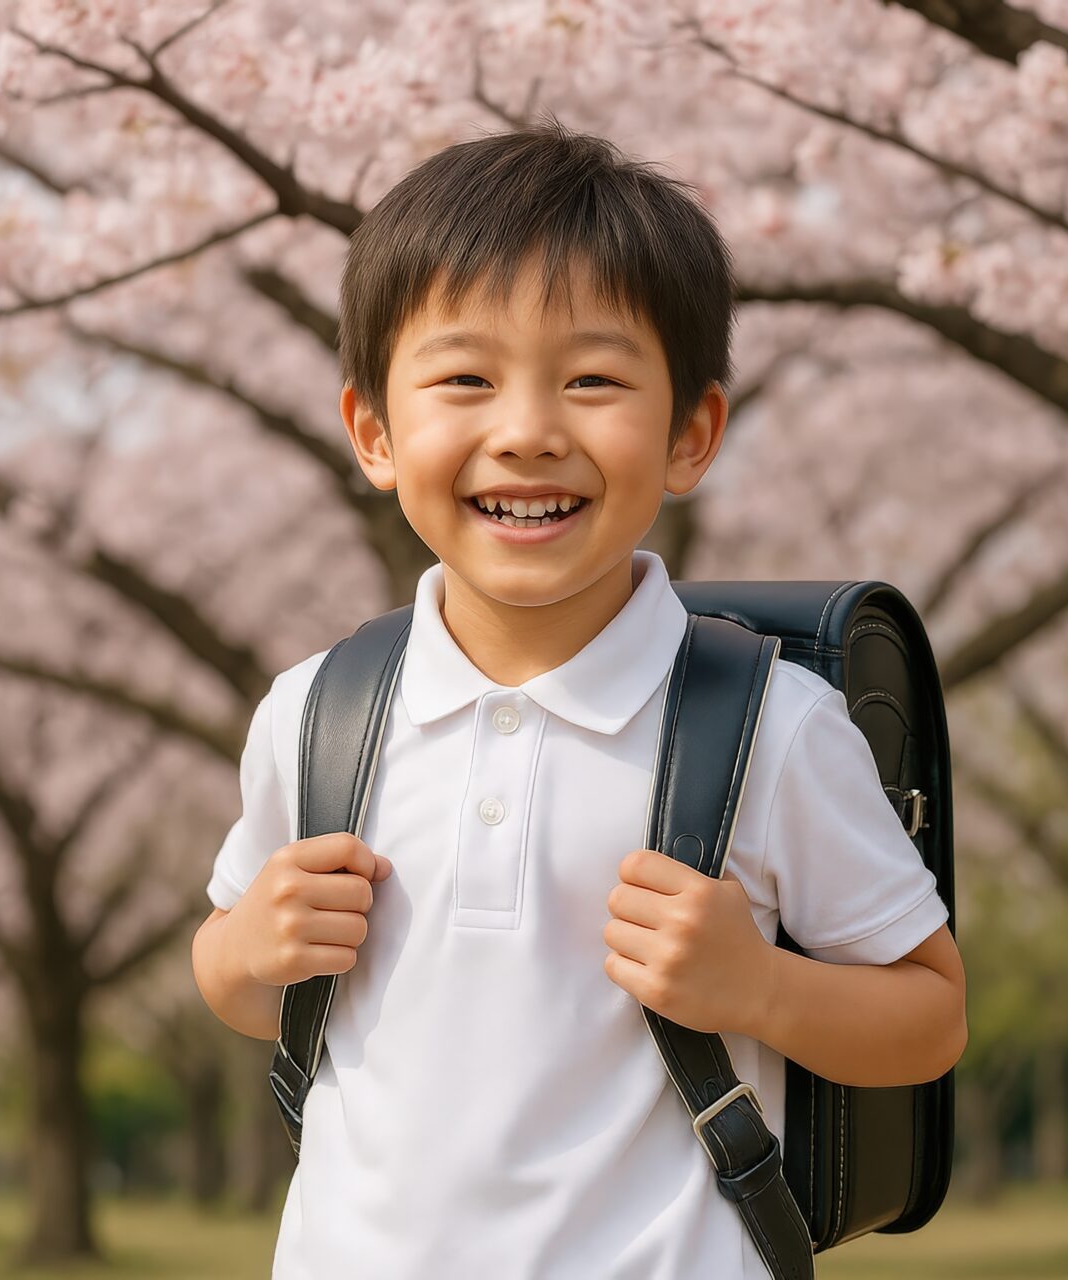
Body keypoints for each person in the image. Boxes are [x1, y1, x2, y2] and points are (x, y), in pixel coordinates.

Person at [190, 115, 967, 1279]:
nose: (528, 431)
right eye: (465, 378)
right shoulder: (318, 712)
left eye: (593, 380)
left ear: (691, 432)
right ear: (374, 430)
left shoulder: (770, 725)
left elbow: (929, 1016)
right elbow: (241, 985)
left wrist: (759, 984)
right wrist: (251, 947)